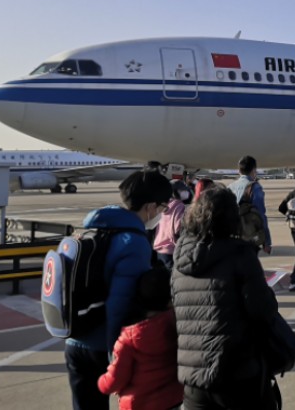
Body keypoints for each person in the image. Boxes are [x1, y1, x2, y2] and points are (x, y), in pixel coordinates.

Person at [173, 187, 295, 409]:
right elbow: (262, 311)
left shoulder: (180, 259)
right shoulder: (240, 254)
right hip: (237, 372)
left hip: (194, 377)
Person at [65, 170, 172, 410]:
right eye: (163, 208)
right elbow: (119, 303)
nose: (161, 214)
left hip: (74, 337)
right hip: (100, 343)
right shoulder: (133, 242)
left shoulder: (94, 228)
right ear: (151, 207)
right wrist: (116, 355)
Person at [98, 267, 182, 410]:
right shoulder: (175, 324)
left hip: (138, 404)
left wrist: (101, 383)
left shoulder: (128, 339)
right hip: (172, 399)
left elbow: (115, 381)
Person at [228, 155, 271, 254]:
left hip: (232, 234)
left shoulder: (230, 187)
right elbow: (261, 215)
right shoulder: (255, 187)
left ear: (239, 171)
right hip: (249, 235)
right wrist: (266, 241)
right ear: (254, 170)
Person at [154, 179, 190, 270]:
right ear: (176, 191)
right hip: (172, 250)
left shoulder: (164, 204)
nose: (186, 192)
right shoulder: (179, 206)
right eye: (182, 190)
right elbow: (179, 228)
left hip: (159, 249)